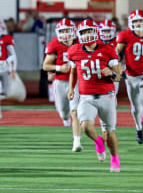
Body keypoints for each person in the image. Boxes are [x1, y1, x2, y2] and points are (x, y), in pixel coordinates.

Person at [68, 19, 122, 172]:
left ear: (96, 31)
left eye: (89, 31)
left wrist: (111, 73)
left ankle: (114, 159)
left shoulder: (108, 49)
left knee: (109, 133)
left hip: (107, 96)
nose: (86, 35)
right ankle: (98, 142)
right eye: (83, 32)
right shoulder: (73, 50)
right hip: (86, 97)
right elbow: (73, 72)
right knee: (85, 126)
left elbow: (119, 76)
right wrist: (71, 89)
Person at [116, 9, 143, 144]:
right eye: (135, 21)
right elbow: (116, 53)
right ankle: (139, 128)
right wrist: (119, 63)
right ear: (131, 23)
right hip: (131, 74)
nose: (138, 23)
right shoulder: (125, 35)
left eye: (140, 20)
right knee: (135, 106)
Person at [43, 18, 82, 152]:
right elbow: (45, 65)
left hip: (76, 82)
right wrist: (58, 68)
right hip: (60, 82)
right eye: (63, 30)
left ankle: (76, 142)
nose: (65, 33)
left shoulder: (80, 43)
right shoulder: (54, 44)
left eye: (67, 30)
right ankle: (65, 119)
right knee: (64, 112)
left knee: (75, 111)